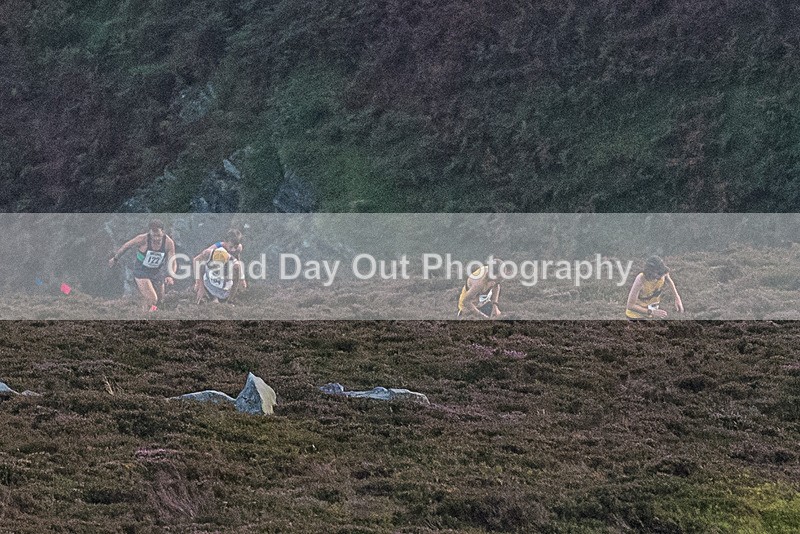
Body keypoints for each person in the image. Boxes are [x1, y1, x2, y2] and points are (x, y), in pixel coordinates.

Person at [109, 219, 176, 311]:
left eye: (158, 235)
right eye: (153, 235)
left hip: (157, 272)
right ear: (149, 232)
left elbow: (172, 261)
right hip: (142, 271)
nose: (156, 238)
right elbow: (126, 246)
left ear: (163, 232)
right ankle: (149, 318)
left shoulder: (169, 243)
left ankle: (145, 312)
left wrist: (170, 276)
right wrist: (115, 258)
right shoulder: (142, 239)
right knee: (153, 299)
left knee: (160, 301)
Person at [194, 229, 245, 304]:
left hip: (225, 272)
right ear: (225, 242)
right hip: (210, 270)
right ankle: (207, 294)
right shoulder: (214, 249)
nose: (233, 249)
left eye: (235, 246)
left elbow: (237, 258)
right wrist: (198, 283)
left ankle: (226, 299)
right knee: (199, 288)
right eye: (231, 247)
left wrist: (242, 277)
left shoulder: (238, 248)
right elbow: (196, 260)